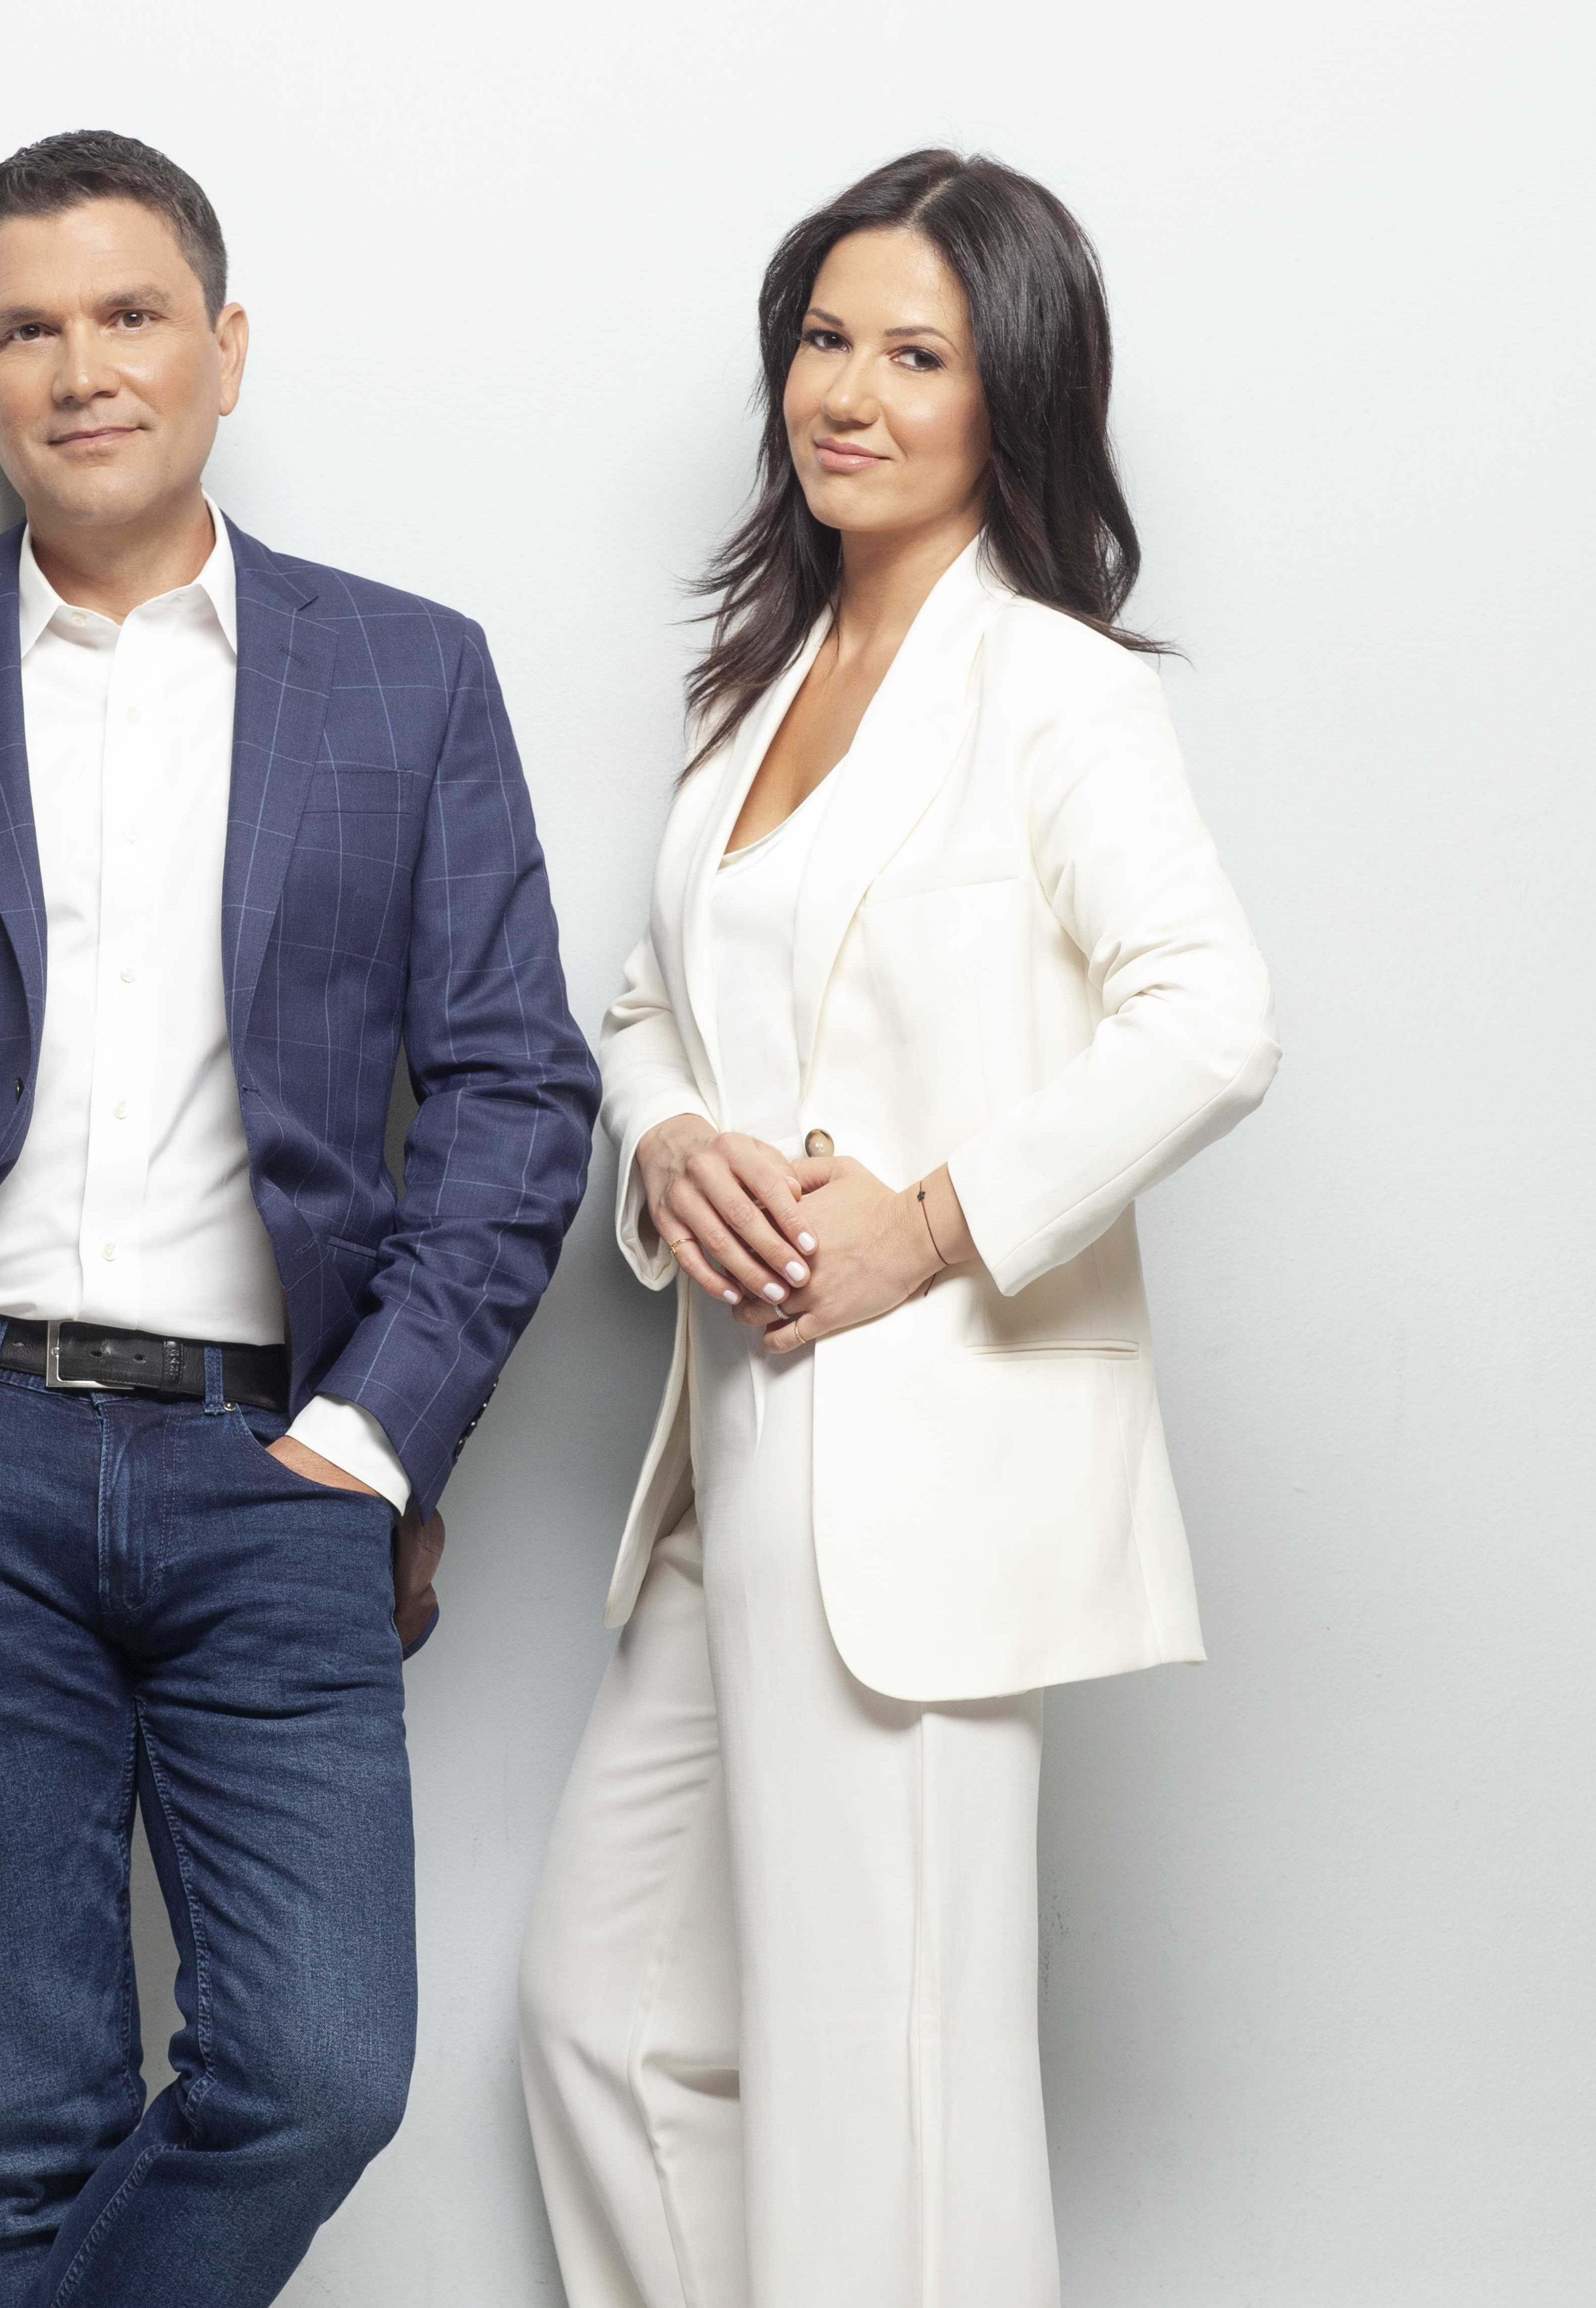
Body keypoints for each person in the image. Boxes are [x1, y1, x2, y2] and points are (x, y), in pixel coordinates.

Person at [0, 130, 597, 2308]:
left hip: (281, 1468)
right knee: (31, 2120)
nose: (83, 367)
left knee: (317, 2073)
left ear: (225, 348)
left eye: (131, 314)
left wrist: (371, 1434)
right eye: (28, 328)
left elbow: (516, 1084)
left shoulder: (408, 676)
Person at [517, 149, 1279, 2306]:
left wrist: (929, 1224)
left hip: (922, 1474)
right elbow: (652, 1003)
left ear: (1009, 391)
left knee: (888, 2083)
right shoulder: (754, 685)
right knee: (606, 2022)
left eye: (914, 356)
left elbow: (1211, 1017)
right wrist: (670, 1143)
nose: (846, 395)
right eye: (823, 341)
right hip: (727, 1453)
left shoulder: (1054, 690)